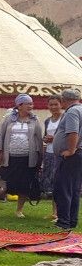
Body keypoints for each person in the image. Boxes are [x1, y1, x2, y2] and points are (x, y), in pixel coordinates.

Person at [0, 94, 44, 217]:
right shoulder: (8, 119)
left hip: (27, 158)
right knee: (4, 182)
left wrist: (40, 158)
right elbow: (0, 135)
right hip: (10, 157)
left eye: (32, 104)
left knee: (24, 183)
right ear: (19, 105)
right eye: (28, 104)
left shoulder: (34, 120)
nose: (31, 106)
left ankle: (19, 210)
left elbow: (38, 138)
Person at [52, 88, 82, 230]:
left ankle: (64, 221)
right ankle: (71, 221)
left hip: (72, 156)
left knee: (63, 188)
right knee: (73, 189)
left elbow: (73, 132)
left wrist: (70, 150)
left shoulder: (72, 112)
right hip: (78, 154)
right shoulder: (80, 109)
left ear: (64, 100)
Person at [42, 95, 64, 219]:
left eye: (56, 104)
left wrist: (54, 138)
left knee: (60, 182)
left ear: (61, 104)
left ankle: (61, 212)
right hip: (49, 153)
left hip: (61, 154)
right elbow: (46, 136)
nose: (53, 107)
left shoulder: (65, 118)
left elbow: (69, 136)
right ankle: (54, 212)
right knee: (53, 183)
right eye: (51, 105)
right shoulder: (47, 121)